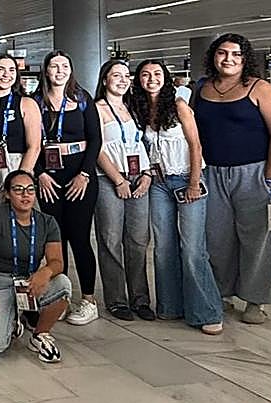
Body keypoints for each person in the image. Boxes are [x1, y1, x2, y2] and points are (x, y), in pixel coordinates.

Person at [191, 33, 271, 324]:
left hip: (254, 173)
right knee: (217, 237)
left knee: (257, 238)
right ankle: (222, 292)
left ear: (245, 59)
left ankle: (255, 299)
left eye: (236, 55)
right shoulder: (202, 88)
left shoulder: (260, 88)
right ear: (213, 57)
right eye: (222, 53)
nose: (228, 59)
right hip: (212, 173)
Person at [130, 60, 223, 334]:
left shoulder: (180, 106)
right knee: (164, 246)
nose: (151, 79)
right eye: (145, 75)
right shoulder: (142, 109)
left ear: (166, 78)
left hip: (186, 178)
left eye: (157, 74)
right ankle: (171, 305)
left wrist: (194, 182)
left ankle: (206, 311)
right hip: (160, 183)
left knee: (193, 247)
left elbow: (195, 144)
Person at [0, 171, 72, 363]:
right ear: (7, 194)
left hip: (30, 282)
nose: (25, 195)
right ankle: (11, 321)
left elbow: (57, 262)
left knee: (63, 284)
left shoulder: (47, 222)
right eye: (18, 190)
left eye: (30, 190)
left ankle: (39, 334)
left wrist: (45, 272)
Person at [33, 51, 102, 326]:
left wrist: (84, 174)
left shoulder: (82, 99)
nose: (59, 71)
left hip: (80, 176)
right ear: (46, 71)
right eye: (54, 66)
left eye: (64, 66)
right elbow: (30, 141)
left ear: (71, 70)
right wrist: (40, 174)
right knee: (55, 240)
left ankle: (88, 299)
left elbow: (96, 140)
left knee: (80, 238)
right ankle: (59, 298)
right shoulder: (36, 101)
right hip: (48, 178)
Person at [93, 60, 153, 321]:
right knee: (110, 240)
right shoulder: (97, 109)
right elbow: (97, 148)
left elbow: (145, 144)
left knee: (139, 241)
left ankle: (140, 298)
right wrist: (118, 180)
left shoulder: (135, 108)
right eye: (115, 75)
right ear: (104, 79)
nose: (122, 79)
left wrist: (148, 174)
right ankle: (117, 299)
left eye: (126, 75)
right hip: (110, 180)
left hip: (139, 178)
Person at [0, 54, 42, 217]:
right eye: (0, 69)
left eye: (12, 70)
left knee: (18, 219)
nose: (6, 74)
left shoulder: (26, 103)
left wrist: (21, 178)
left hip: (16, 163)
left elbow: (34, 146)